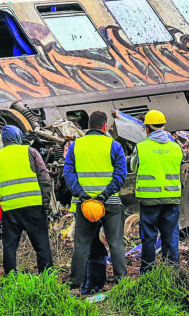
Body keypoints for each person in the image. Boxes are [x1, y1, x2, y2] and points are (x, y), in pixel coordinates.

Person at [65, 110, 128, 292]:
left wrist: (81, 194)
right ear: (104, 126)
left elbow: (68, 173)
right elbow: (120, 174)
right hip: (110, 203)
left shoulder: (76, 146)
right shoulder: (114, 145)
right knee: (115, 242)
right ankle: (122, 285)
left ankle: (75, 287)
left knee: (82, 244)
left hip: (84, 204)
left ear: (88, 127)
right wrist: (105, 194)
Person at [0, 125, 53, 275]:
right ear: (18, 137)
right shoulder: (30, 152)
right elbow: (45, 179)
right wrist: (46, 204)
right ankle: (47, 277)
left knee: (9, 246)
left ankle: (10, 276)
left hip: (9, 208)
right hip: (33, 206)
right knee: (41, 245)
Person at [129, 110, 183, 273]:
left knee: (148, 238)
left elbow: (133, 167)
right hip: (171, 199)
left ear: (146, 128)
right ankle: (172, 274)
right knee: (171, 238)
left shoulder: (141, 147)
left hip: (149, 200)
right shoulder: (176, 147)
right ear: (163, 126)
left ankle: (148, 274)